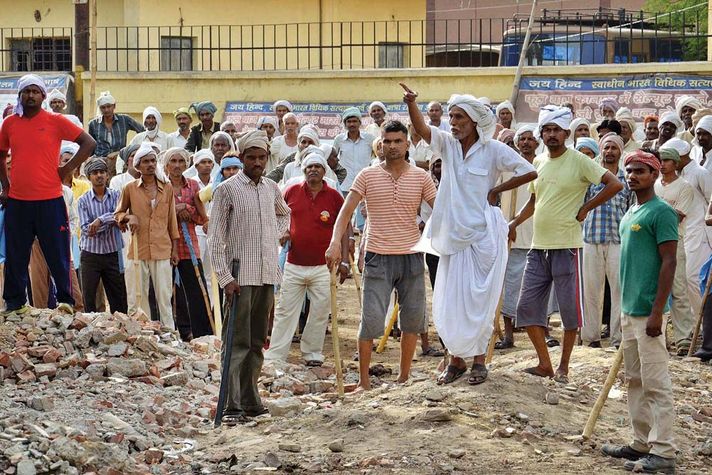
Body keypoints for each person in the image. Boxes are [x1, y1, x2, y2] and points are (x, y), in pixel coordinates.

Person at [402, 86, 537, 385]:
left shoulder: (494, 150)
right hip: (452, 235)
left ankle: (479, 362)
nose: (454, 122)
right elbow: (424, 129)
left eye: (459, 117)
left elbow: (529, 172)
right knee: (450, 300)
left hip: (484, 236)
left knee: (480, 301)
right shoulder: (448, 145)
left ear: (474, 120)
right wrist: (413, 103)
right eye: (451, 116)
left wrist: (496, 190)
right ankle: (456, 361)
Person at [509, 105, 623, 383]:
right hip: (538, 248)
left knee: (570, 313)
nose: (551, 135)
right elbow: (535, 201)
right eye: (546, 130)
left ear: (566, 133)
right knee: (526, 309)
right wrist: (513, 223)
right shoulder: (538, 163)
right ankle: (545, 364)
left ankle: (563, 366)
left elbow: (614, 184)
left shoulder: (578, 160)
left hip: (569, 246)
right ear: (541, 134)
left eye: (556, 130)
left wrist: (586, 208)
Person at [326, 120, 436, 390]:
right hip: (377, 255)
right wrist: (334, 243)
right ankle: (364, 382)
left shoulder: (420, 177)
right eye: (387, 141)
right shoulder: (367, 175)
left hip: (411, 255)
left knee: (412, 319)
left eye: (398, 141)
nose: (392, 146)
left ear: (407, 145)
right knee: (371, 320)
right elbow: (346, 210)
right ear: (380, 145)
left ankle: (404, 377)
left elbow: (441, 209)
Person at [601, 149, 677, 475]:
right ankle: (641, 441)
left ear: (654, 175)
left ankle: (664, 452)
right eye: (629, 171)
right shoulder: (632, 210)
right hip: (629, 312)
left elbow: (669, 261)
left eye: (640, 172)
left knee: (656, 382)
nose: (632, 176)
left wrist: (658, 311)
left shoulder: (661, 212)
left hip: (648, 311)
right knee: (634, 379)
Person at [208, 129, 290, 424]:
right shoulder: (227, 190)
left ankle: (251, 399)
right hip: (239, 277)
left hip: (267, 273)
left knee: (257, 342)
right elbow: (215, 238)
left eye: (261, 157)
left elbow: (284, 214)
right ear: (241, 158)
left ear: (267, 158)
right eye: (251, 157)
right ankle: (232, 404)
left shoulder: (270, 188)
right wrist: (224, 277)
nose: (257, 162)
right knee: (236, 342)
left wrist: (276, 235)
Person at [0, 74, 96, 315]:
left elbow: (88, 142)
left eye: (35, 91)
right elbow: (0, 155)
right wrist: (5, 185)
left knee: (58, 252)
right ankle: (14, 304)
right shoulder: (10, 123)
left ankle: (66, 302)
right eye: (26, 91)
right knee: (16, 254)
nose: (30, 95)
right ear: (19, 95)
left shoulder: (55, 121)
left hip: (50, 200)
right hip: (18, 202)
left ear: (43, 95)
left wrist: (66, 169)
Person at [265, 152, 349, 365]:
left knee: (321, 311)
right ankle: (276, 355)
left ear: (324, 171)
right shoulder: (292, 191)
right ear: (303, 170)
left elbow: (345, 226)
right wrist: (282, 231)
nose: (313, 170)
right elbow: (277, 215)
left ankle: (312, 353)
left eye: (318, 167)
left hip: (324, 266)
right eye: (309, 167)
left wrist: (345, 258)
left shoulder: (334, 196)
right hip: (293, 263)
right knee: (285, 310)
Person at [115, 143, 179, 329]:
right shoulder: (130, 188)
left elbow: (171, 220)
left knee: (164, 296)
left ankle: (169, 334)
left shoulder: (166, 188)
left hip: (162, 248)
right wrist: (129, 216)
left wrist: (174, 249)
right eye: (145, 162)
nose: (150, 164)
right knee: (138, 296)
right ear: (138, 166)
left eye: (153, 161)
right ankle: (142, 333)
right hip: (138, 248)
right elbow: (117, 214)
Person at [581, 133, 632, 348]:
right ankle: (590, 337)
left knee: (619, 291)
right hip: (591, 239)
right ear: (601, 149)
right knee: (591, 291)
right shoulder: (590, 176)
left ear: (620, 152)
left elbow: (631, 209)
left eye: (614, 148)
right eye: (606, 147)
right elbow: (581, 206)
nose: (610, 151)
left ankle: (616, 339)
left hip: (617, 241)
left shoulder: (627, 179)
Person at [496, 125, 539, 350]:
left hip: (537, 234)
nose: (525, 143)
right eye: (522, 139)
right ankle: (509, 335)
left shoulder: (541, 165)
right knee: (509, 287)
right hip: (510, 235)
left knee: (538, 287)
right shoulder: (508, 168)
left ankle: (544, 332)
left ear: (537, 143)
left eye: (530, 139)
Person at [165, 147, 211, 340]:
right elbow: (157, 214)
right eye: (173, 161)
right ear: (166, 165)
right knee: (169, 292)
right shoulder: (161, 186)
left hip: (190, 246)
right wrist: (176, 209)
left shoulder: (193, 186)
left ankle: (203, 334)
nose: (177, 165)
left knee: (197, 291)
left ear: (186, 164)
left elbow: (202, 218)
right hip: (166, 247)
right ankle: (175, 332)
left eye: (181, 161)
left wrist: (187, 208)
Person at [654, 147, 696, 355]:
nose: (663, 164)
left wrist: (655, 212)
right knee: (654, 288)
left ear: (676, 163)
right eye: (661, 160)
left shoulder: (685, 187)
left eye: (667, 161)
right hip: (652, 241)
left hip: (674, 240)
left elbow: (678, 215)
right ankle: (658, 337)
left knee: (678, 289)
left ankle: (683, 338)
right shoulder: (654, 185)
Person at [664, 138, 712, 318]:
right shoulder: (676, 176)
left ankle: (705, 322)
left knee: (695, 278)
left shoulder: (700, 173)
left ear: (679, 157)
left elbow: (711, 201)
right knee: (684, 280)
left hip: (701, 233)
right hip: (681, 233)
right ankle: (697, 324)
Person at [77, 158, 127, 314]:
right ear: (89, 176)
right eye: (95, 173)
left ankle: (120, 330)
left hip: (112, 253)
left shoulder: (116, 195)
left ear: (107, 175)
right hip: (90, 254)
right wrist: (111, 220)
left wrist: (99, 220)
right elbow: (86, 229)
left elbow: (120, 215)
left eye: (102, 172)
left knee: (118, 298)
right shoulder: (83, 200)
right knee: (89, 298)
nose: (99, 175)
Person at [88, 91, 144, 167]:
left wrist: (131, 149)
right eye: (103, 107)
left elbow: (143, 132)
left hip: (120, 161)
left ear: (114, 106)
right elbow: (91, 145)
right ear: (100, 108)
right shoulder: (93, 124)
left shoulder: (124, 120)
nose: (106, 110)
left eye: (108, 106)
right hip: (100, 162)